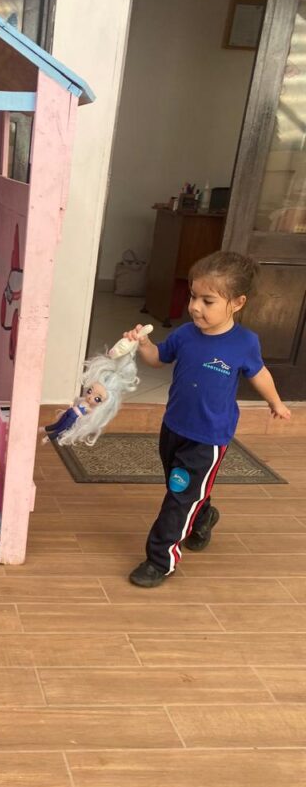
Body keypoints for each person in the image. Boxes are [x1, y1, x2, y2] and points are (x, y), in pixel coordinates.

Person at [123, 250, 291, 588]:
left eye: (208, 301)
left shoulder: (244, 342)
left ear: (237, 303)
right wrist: (143, 344)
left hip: (208, 437)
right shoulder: (185, 334)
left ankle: (160, 560)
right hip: (173, 427)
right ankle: (204, 515)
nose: (195, 307)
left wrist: (275, 402)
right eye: (193, 296)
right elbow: (158, 358)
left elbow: (259, 373)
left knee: (179, 496)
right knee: (182, 487)